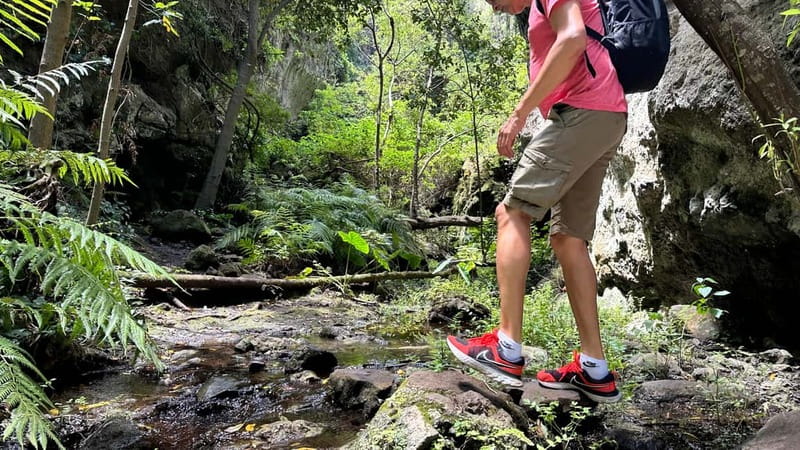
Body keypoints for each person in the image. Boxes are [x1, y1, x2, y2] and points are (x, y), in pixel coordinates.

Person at [446, 0, 627, 403]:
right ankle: (594, 370)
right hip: (605, 116)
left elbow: (573, 37)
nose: (492, 6)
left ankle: (506, 349)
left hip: (581, 112)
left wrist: (519, 113)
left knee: (511, 214)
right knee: (568, 239)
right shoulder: (534, 9)